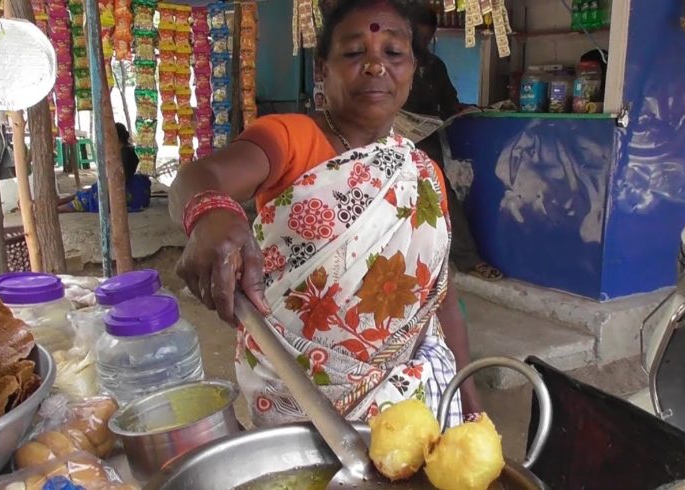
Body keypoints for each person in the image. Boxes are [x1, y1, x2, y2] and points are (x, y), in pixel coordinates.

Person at [170, 0, 480, 428]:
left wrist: (469, 397)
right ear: (323, 69)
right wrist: (209, 213)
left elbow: (439, 296)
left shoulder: (421, 173)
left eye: (393, 54)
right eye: (354, 53)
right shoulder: (292, 138)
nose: (375, 67)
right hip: (300, 396)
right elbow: (200, 175)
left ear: (414, 69)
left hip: (409, 404)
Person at [403, 4, 503, 281]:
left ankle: (468, 259)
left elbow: (447, 102)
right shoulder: (391, 62)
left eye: (428, 39)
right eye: (419, 39)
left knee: (443, 197)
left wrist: (457, 110)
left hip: (426, 145)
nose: (424, 44)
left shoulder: (435, 67)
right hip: (391, 145)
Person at [58, 123, 151, 213]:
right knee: (90, 190)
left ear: (115, 138)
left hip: (121, 187)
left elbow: (119, 179)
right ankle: (62, 201)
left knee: (88, 198)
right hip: (130, 185)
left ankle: (58, 209)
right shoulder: (128, 149)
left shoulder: (122, 154)